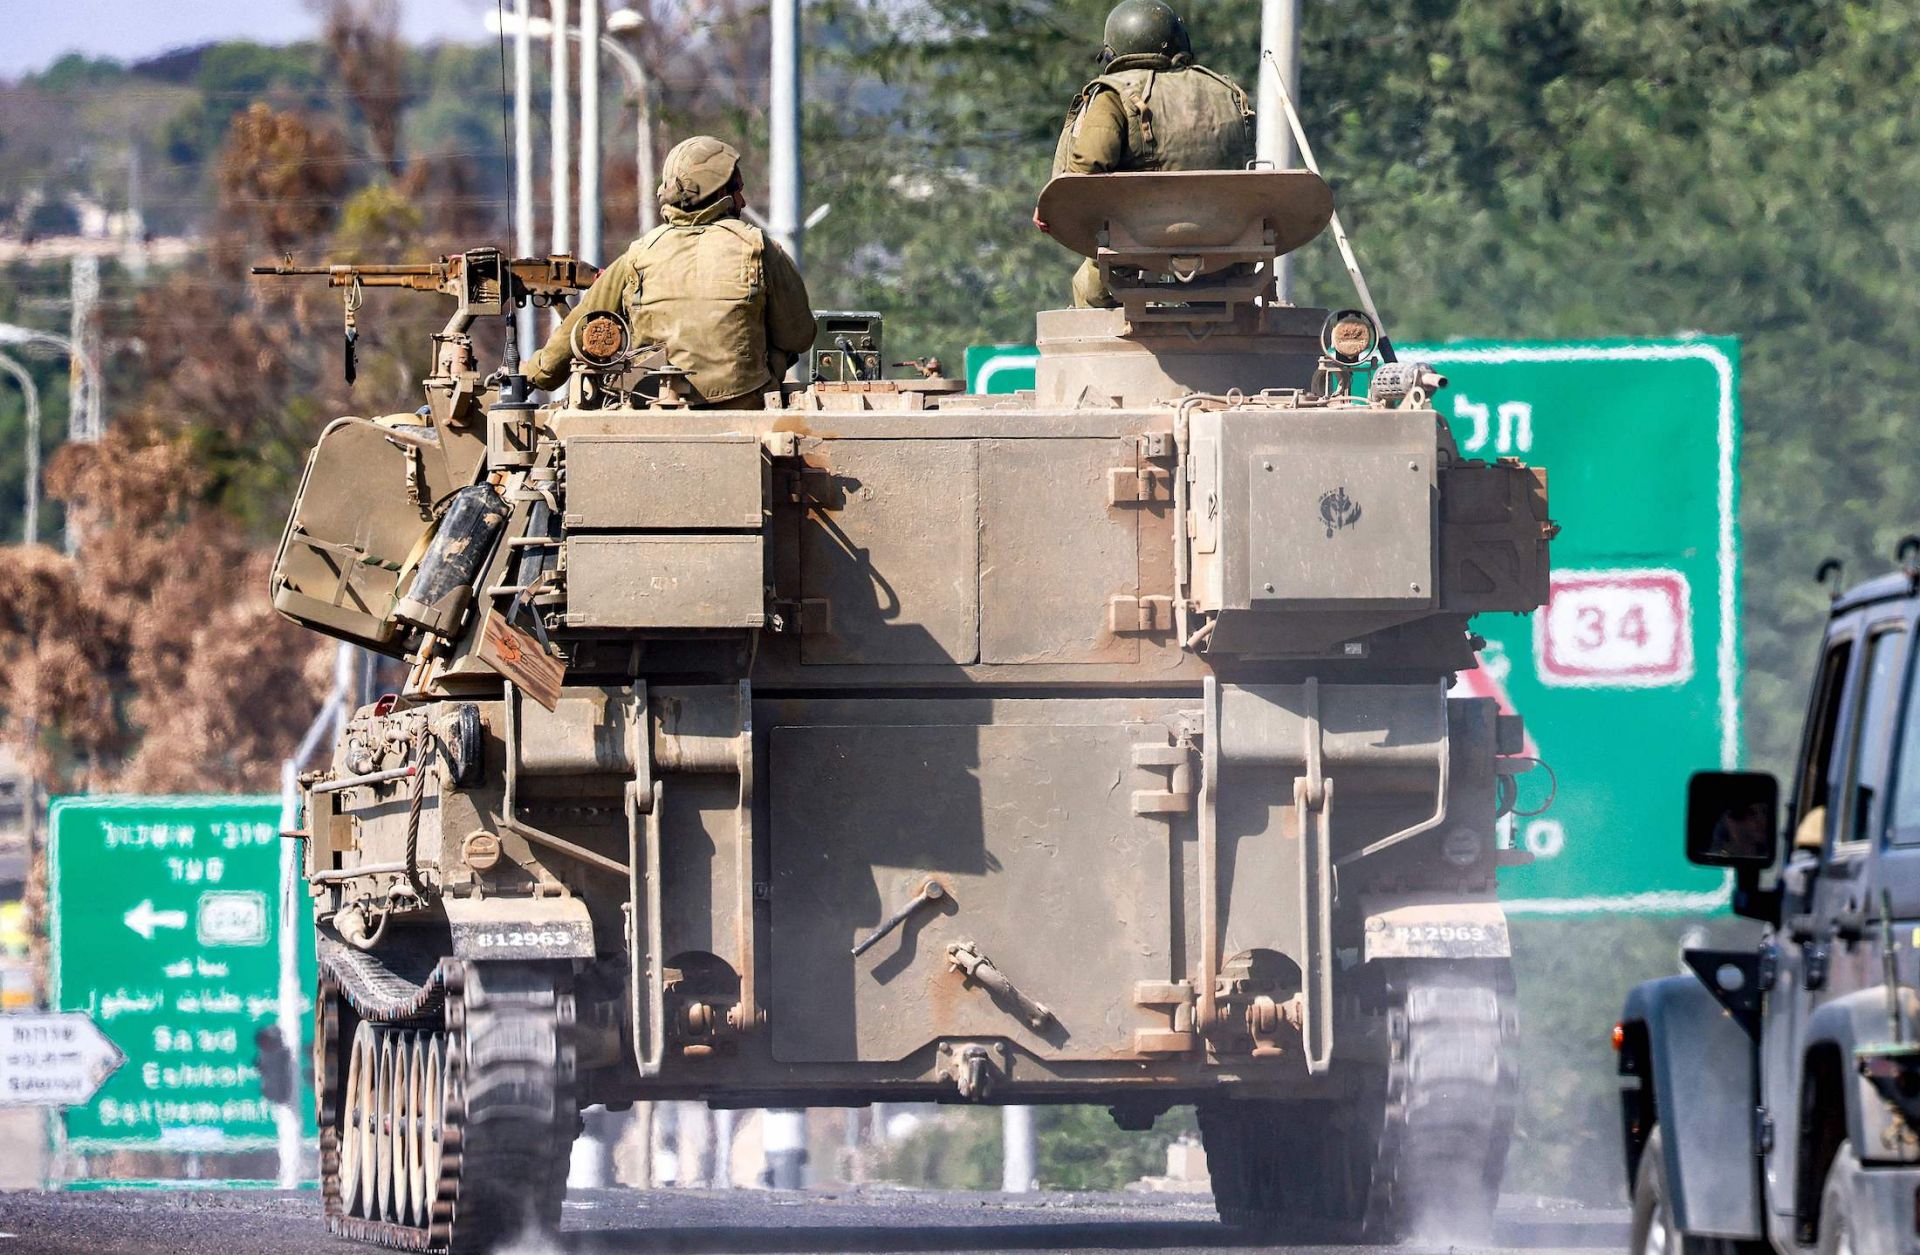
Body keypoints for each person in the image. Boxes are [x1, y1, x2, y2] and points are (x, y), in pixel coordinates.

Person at [528, 136, 817, 408]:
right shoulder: (758, 246)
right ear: (718, 192)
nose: (742, 202)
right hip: (745, 405)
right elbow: (799, 336)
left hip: (654, 408)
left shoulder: (640, 253)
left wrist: (535, 373)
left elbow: (576, 331)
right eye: (737, 189)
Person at [1046, 0, 1256, 308]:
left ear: (1114, 50)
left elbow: (1083, 176)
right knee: (1218, 296)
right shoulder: (1226, 91)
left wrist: (1053, 206)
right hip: (1221, 245)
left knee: (1090, 293)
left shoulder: (1113, 95)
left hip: (1134, 244)